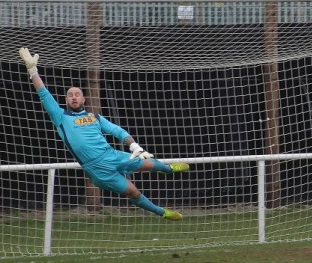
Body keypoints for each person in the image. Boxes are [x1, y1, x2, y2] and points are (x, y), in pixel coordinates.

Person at [18, 47, 189, 220]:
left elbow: (117, 130)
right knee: (133, 192)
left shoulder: (95, 117)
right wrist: (33, 71)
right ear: (66, 100)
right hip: (97, 169)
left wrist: (133, 145)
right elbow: (44, 94)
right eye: (70, 95)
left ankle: (169, 169)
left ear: (83, 99)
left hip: (112, 155)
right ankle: (162, 212)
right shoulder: (60, 117)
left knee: (150, 164)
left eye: (77, 94)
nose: (74, 97)